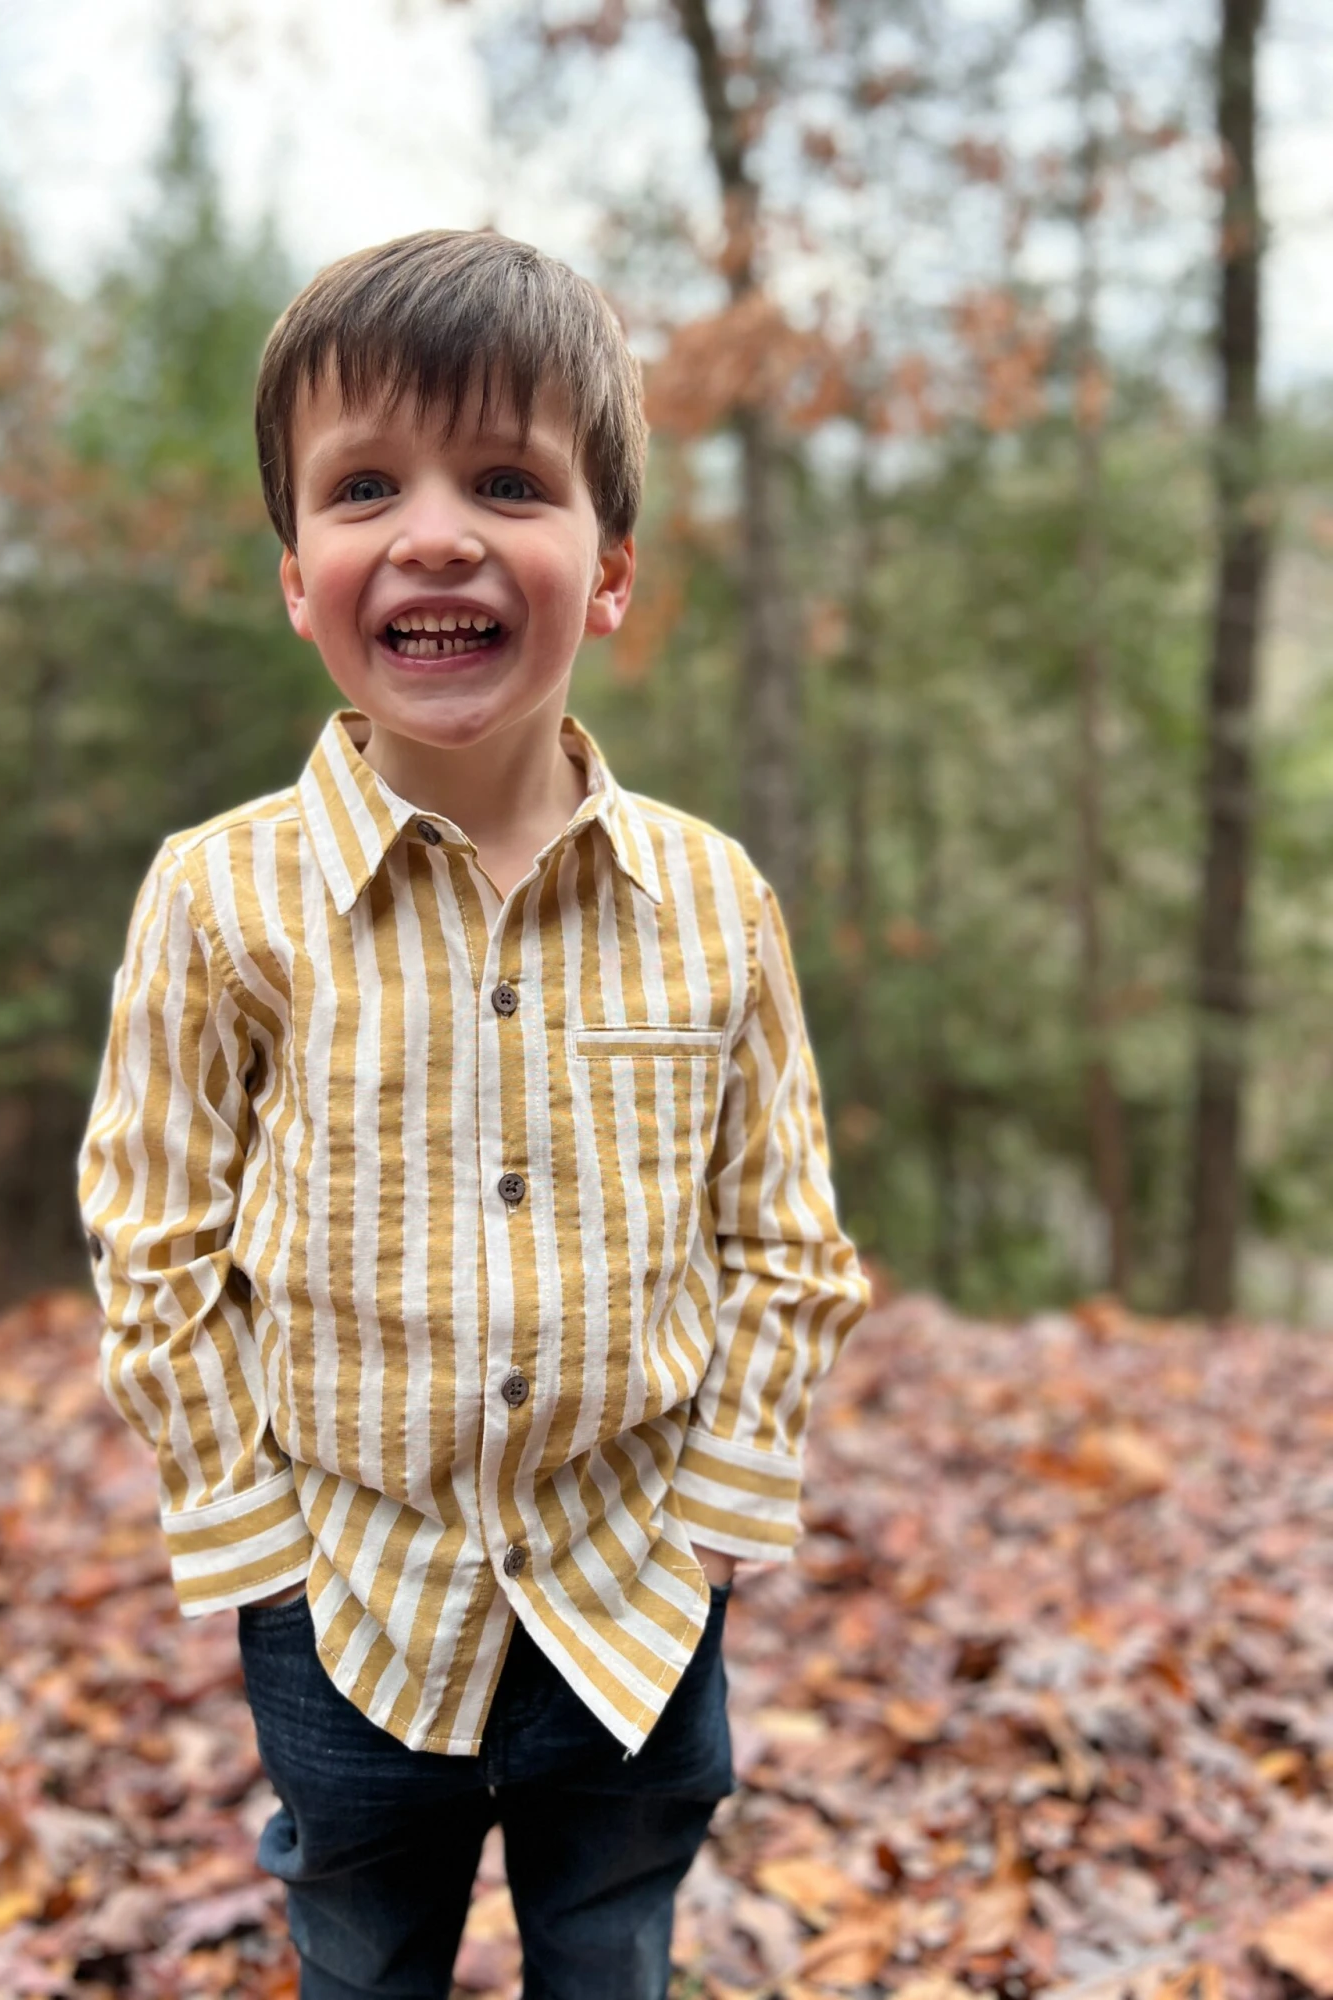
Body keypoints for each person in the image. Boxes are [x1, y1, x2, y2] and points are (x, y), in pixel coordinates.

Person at [78, 228, 869, 2000]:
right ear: (301, 578)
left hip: (632, 1590)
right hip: (351, 1596)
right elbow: (156, 1235)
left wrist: (722, 1506)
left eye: (508, 483)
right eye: (367, 488)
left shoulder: (711, 901)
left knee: (612, 1941)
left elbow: (783, 1233)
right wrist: (251, 1539)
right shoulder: (222, 901)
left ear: (611, 572)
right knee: (366, 1951)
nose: (435, 533)